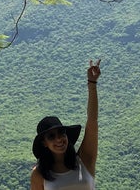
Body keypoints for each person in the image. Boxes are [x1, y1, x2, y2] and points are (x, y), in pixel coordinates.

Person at [30, 59, 101, 190]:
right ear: (44, 143)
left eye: (61, 133)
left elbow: (92, 122)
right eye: (51, 136)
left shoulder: (85, 160)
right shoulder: (39, 174)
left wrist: (92, 83)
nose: (58, 139)